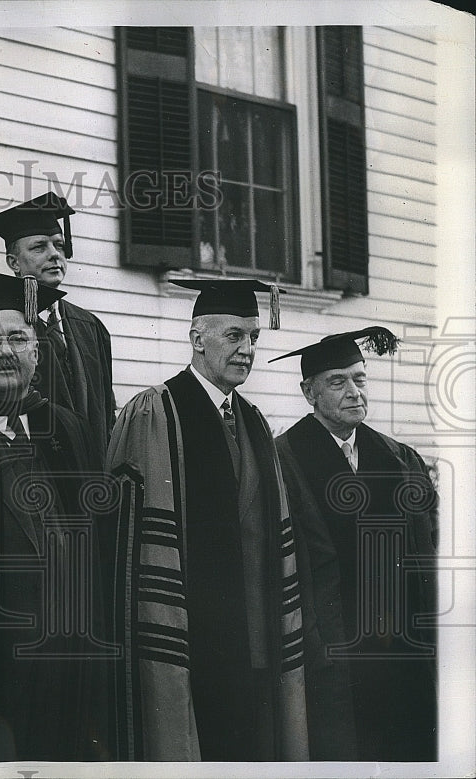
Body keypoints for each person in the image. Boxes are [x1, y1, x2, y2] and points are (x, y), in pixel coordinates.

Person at [104, 279, 309, 761]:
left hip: (255, 640)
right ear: (197, 338)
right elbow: (127, 542)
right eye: (234, 335)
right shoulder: (156, 411)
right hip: (187, 638)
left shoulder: (255, 420)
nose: (247, 350)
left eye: (254, 338)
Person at [0, 272, 111, 761]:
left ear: (38, 352)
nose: (5, 350)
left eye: (18, 338)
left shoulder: (68, 428)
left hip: (73, 642)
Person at [271, 327, 437, 761]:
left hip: (399, 648)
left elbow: (426, 552)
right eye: (337, 381)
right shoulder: (282, 460)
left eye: (359, 379)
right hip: (332, 649)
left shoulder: (398, 458)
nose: (353, 392)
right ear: (309, 392)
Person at [0, 192, 116, 463]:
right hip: (38, 470)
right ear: (13, 263)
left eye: (59, 245)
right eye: (39, 247)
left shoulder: (90, 326)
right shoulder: (2, 329)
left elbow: (106, 410)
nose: (55, 254)